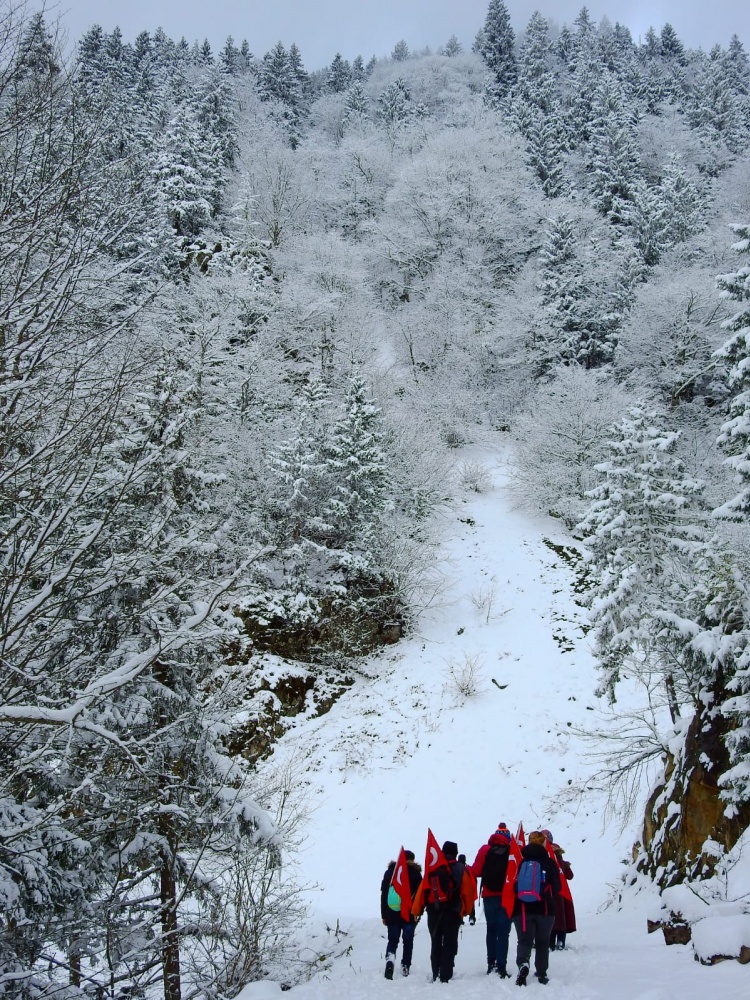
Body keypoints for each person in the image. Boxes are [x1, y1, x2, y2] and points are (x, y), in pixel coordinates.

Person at [412, 840, 476, 983]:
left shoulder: (433, 867)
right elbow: (468, 892)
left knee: (435, 942)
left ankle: (436, 972)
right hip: (453, 913)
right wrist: (467, 910)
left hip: (433, 912)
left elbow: (423, 890)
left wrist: (417, 910)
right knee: (449, 943)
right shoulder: (461, 868)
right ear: (456, 853)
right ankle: (445, 975)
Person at [512, 830, 560, 986]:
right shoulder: (550, 863)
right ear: (543, 843)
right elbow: (557, 888)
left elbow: (514, 886)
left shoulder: (521, 861)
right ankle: (541, 972)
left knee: (524, 941)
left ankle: (523, 964)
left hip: (523, 911)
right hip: (545, 910)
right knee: (542, 942)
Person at [470, 823, 513, 978]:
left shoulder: (485, 850)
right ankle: (501, 966)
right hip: (506, 896)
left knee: (491, 930)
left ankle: (491, 964)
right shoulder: (512, 850)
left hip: (489, 896)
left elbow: (475, 871)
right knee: (504, 932)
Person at [380, 850, 422, 978]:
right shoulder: (416, 874)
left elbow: (384, 894)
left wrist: (384, 914)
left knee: (393, 940)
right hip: (409, 914)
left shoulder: (390, 873)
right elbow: (420, 897)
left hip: (392, 912)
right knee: (408, 941)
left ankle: (390, 960)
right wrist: (418, 913)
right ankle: (405, 966)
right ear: (412, 860)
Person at [549, 844, 575, 951]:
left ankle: (550, 942)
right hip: (562, 892)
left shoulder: (547, 859)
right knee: (562, 918)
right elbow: (570, 876)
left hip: (550, 892)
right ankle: (560, 941)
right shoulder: (561, 861)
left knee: (551, 918)